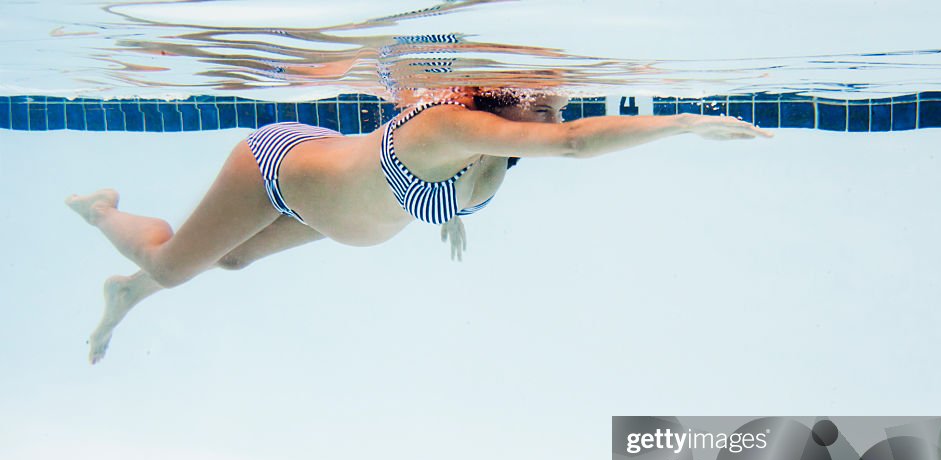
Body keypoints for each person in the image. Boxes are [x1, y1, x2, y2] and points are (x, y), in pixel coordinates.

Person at [66, 87, 771, 364]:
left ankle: (127, 293)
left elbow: (551, 144)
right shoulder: (445, 124)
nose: (554, 114)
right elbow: (580, 143)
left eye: (554, 106)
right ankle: (105, 213)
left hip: (330, 202)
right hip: (276, 172)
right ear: (496, 106)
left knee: (231, 262)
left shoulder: (500, 151)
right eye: (543, 106)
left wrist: (450, 215)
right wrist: (683, 122)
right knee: (172, 265)